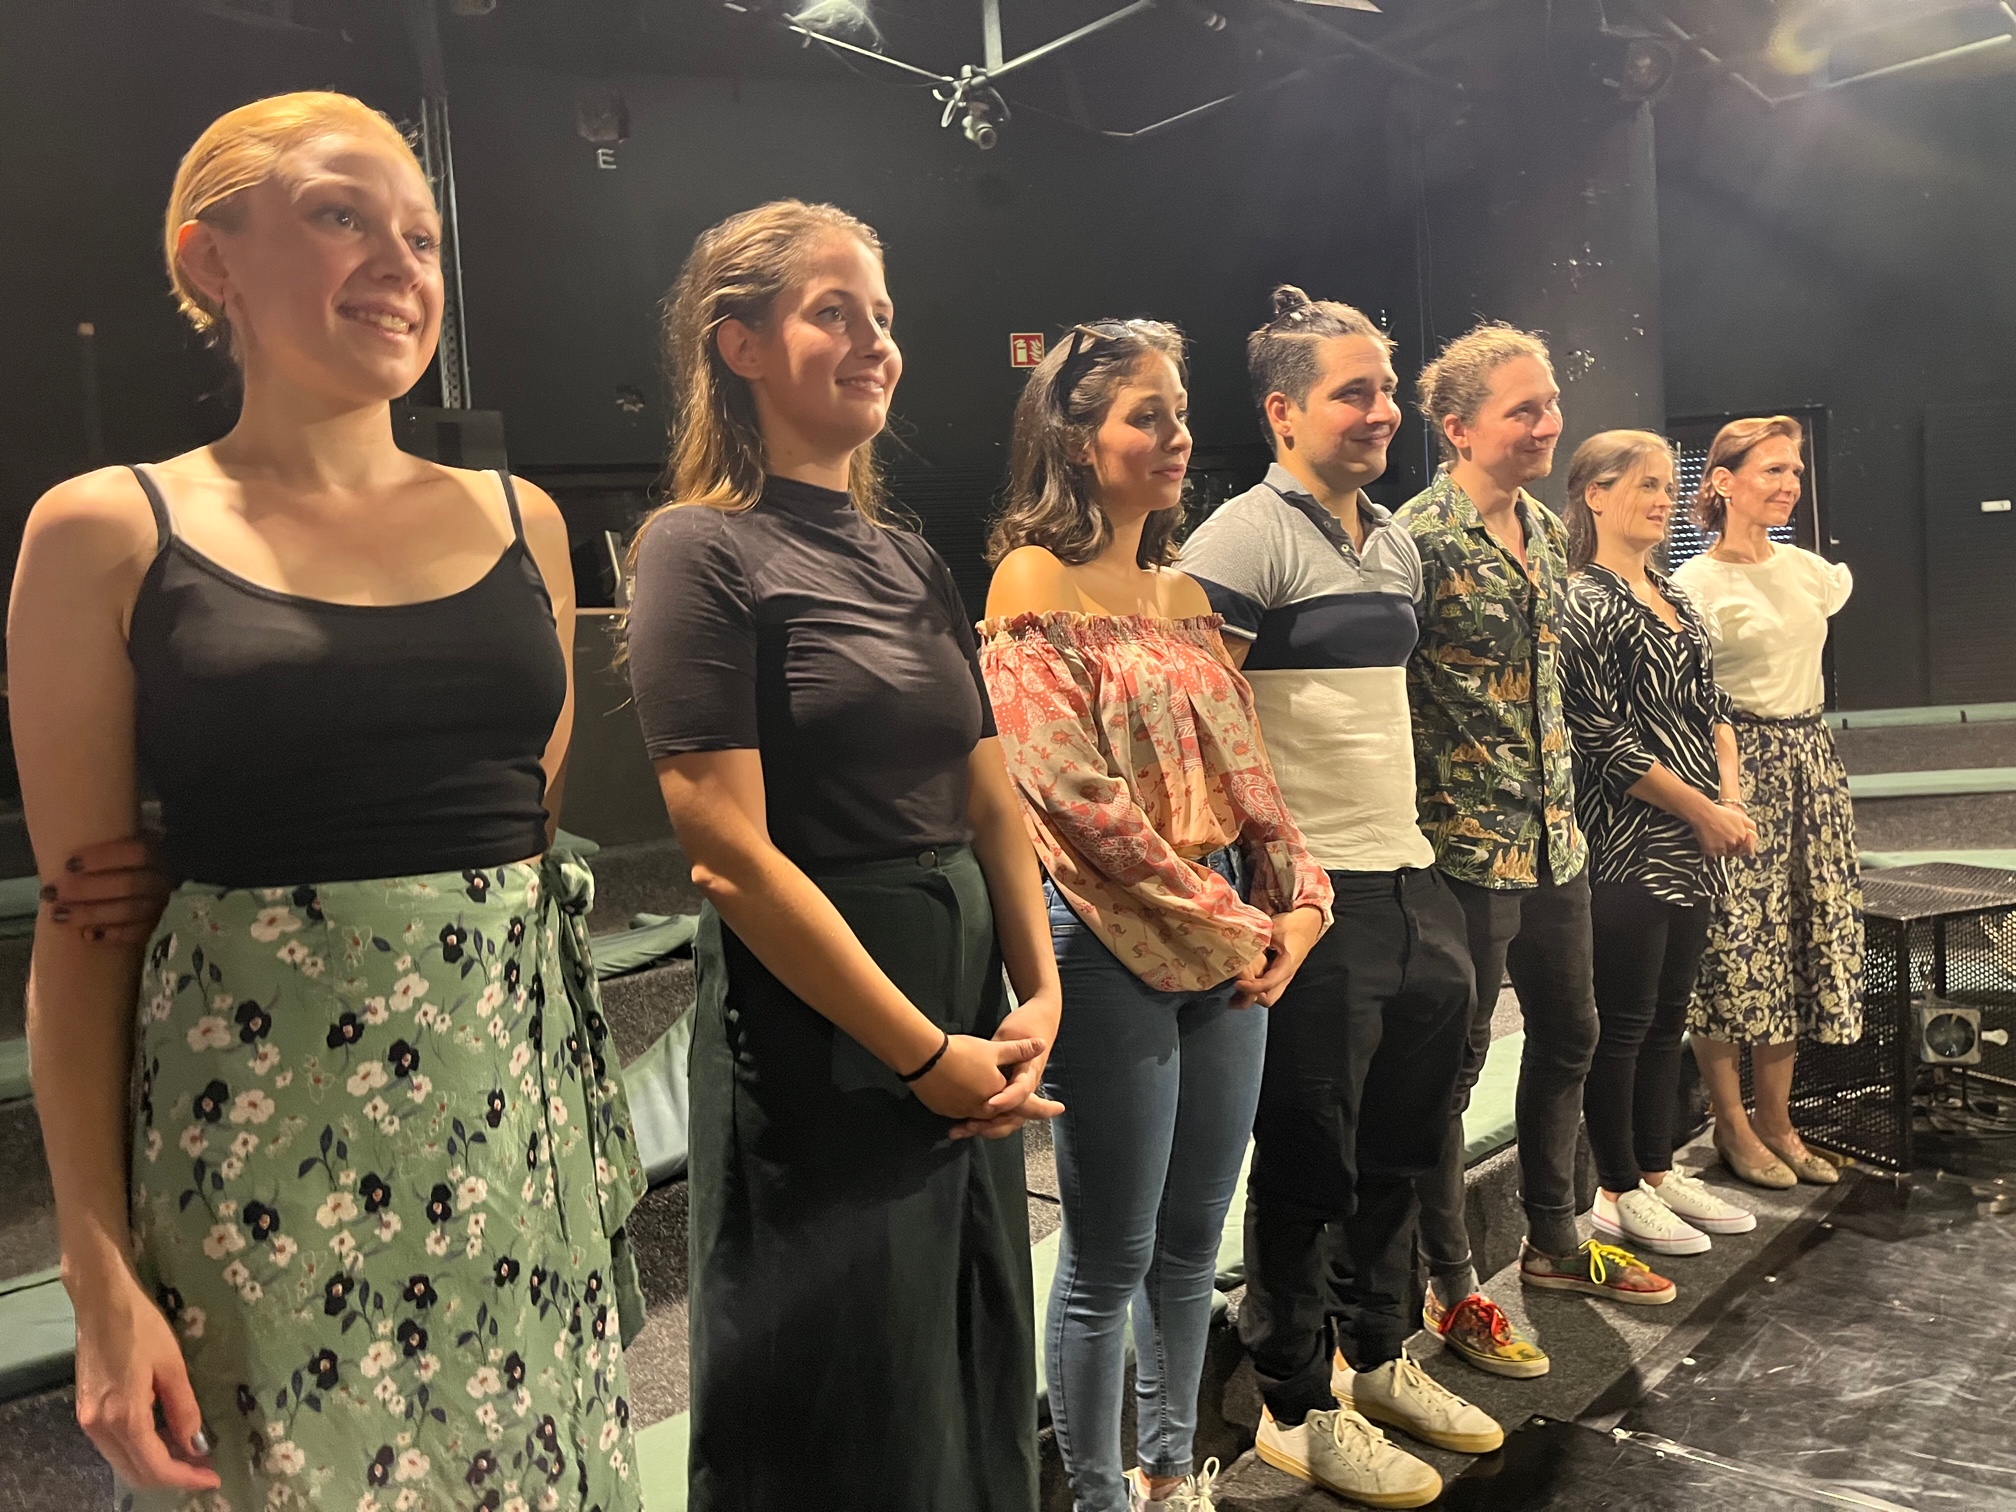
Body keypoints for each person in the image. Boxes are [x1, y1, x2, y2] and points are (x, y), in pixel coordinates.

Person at [8, 92, 647, 1510]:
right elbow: (83, 927)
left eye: (422, 236)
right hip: (257, 1179)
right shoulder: (108, 528)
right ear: (210, 260)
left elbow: (519, 849)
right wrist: (98, 1278)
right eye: (339, 216)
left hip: (513, 1147)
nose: (398, 264)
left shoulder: (524, 523)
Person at [624, 200, 1060, 1512]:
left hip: (964, 1009)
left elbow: (989, 795)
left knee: (967, 1351)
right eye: (835, 312)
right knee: (844, 1388)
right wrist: (920, 1055)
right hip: (831, 1028)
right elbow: (725, 849)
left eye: (883, 315)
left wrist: (1037, 991)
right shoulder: (698, 549)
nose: (877, 341)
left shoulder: (912, 559)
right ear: (741, 345)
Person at [979, 317, 1333, 1512]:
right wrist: (1233, 918)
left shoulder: (1183, 595)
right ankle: (1098, 1496)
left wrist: (1304, 901)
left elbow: (1251, 775)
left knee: (1192, 1245)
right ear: (1075, 440)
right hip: (1111, 937)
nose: (1178, 435)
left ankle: (1172, 1474)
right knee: (1108, 1256)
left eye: (1180, 412)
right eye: (1148, 415)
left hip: (1231, 933)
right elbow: (1074, 799)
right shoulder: (1032, 582)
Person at [1178, 287, 1492, 1508]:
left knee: (1406, 1149)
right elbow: (1203, 742)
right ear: (1283, 411)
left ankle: (1376, 1357)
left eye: (1387, 388)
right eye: (1352, 392)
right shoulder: (1239, 542)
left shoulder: (1396, 542)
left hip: (1412, 879)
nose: (1382, 410)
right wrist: (1271, 890)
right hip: (1313, 900)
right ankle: (1294, 1403)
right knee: (1309, 1162)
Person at [1400, 322, 1677, 1332]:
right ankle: (1451, 1283)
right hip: (1463, 852)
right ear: (1459, 426)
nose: (1549, 423)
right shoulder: (1416, 539)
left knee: (1572, 1036)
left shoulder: (1549, 534)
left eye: (1551, 403)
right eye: (1524, 409)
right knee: (1452, 1070)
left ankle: (1554, 1240)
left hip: (1558, 843)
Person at [1557, 430, 1761, 1260]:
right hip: (1628, 845)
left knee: (1669, 1015)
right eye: (1644, 485)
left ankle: (1655, 1167)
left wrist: (1730, 802)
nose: (1663, 500)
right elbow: (1599, 738)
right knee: (1625, 1023)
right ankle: (1615, 1190)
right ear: (1595, 494)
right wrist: (1703, 811)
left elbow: (1716, 709)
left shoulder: (1673, 593)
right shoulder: (1583, 600)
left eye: (1668, 487)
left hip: (1694, 843)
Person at [1671, 416, 1862, 1189]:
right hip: (1736, 766)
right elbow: (1690, 700)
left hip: (1811, 761)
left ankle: (1779, 1122)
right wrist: (1720, 794)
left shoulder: (1811, 573)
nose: (1789, 484)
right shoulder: (1692, 586)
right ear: (1723, 480)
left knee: (1798, 941)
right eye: (1772, 470)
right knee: (1736, 947)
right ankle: (1732, 1124)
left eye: (1795, 472)